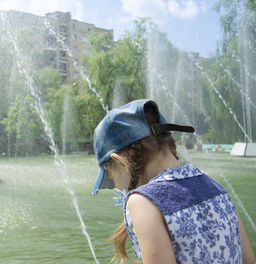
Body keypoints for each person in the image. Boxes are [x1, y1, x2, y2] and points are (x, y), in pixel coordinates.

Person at [92, 99, 254, 264]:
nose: (117, 188)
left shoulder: (142, 202)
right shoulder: (214, 186)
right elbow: (248, 260)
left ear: (120, 162)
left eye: (111, 177)